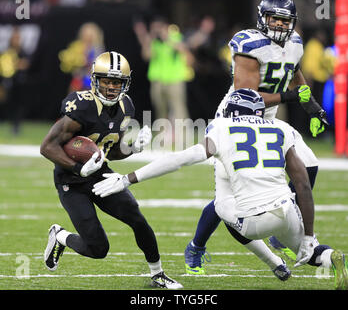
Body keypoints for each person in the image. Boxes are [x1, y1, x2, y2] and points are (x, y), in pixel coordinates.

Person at [92, 89, 348, 290]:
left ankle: (274, 262)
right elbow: (303, 184)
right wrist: (308, 236)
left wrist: (128, 179)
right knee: (311, 253)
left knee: (221, 205)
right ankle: (330, 257)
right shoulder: (281, 128)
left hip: (253, 221)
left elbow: (180, 159)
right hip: (287, 210)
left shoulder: (223, 128)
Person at [175, 0, 329, 275]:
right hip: (236, 119)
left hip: (268, 120)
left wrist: (313, 108)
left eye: (286, 21)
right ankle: (196, 246)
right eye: (275, 20)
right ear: (262, 19)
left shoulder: (295, 43)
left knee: (310, 165)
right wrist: (291, 97)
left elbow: (293, 73)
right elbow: (249, 96)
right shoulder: (250, 45)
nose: (281, 26)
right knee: (231, 195)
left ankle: (280, 230)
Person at [40, 51, 183, 290]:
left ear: (125, 84)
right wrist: (78, 169)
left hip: (99, 174)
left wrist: (133, 149)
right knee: (98, 249)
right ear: (95, 80)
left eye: (116, 82)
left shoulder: (126, 107)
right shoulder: (81, 106)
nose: (110, 87)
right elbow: (47, 146)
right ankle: (61, 236)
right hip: (71, 181)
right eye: (106, 80)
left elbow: (111, 149)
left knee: (138, 219)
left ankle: (158, 275)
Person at [133, 16, 193, 123]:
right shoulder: (154, 42)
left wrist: (167, 38)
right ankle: (162, 132)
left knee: (178, 107)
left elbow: (184, 50)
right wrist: (147, 38)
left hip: (175, 78)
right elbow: (146, 56)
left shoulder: (175, 36)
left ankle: (182, 133)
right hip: (158, 79)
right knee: (160, 108)